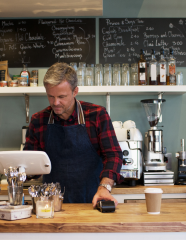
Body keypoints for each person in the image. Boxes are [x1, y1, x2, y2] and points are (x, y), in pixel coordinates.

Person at [24, 62, 123, 207]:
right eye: (51, 96)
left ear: (75, 91)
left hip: (92, 201)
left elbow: (113, 155)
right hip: (50, 205)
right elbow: (31, 165)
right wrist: (21, 171)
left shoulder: (96, 115)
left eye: (62, 96)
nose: (55, 102)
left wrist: (105, 187)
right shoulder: (39, 120)